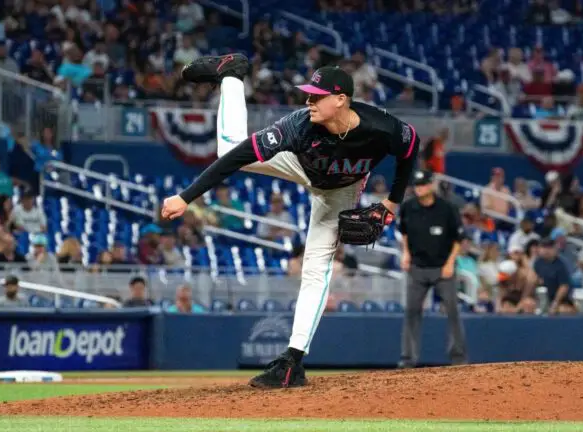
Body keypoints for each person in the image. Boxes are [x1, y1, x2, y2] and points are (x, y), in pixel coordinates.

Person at [161, 54, 419, 388]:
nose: (308, 99)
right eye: (308, 93)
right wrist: (186, 197)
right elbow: (238, 157)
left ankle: (291, 362)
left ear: (341, 100)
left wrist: (393, 202)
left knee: (316, 268)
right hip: (298, 163)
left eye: (317, 95)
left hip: (340, 190)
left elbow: (411, 147)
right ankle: (232, 74)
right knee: (228, 147)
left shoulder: (382, 127)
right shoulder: (298, 126)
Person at [398, 170, 466, 368]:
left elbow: (458, 238)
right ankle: (408, 358)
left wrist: (450, 263)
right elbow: (404, 232)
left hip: (442, 268)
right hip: (417, 268)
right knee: (411, 312)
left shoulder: (447, 208)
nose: (419, 188)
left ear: (431, 185)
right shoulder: (408, 207)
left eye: (423, 184)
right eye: (417, 185)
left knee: (452, 311)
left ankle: (458, 357)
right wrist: (406, 253)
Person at [533, 238, 576, 315]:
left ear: (555, 249)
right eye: (544, 247)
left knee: (563, 311)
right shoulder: (538, 262)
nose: (546, 250)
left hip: (562, 299)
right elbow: (534, 279)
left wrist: (555, 303)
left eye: (549, 247)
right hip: (542, 297)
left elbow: (564, 286)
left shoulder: (561, 264)